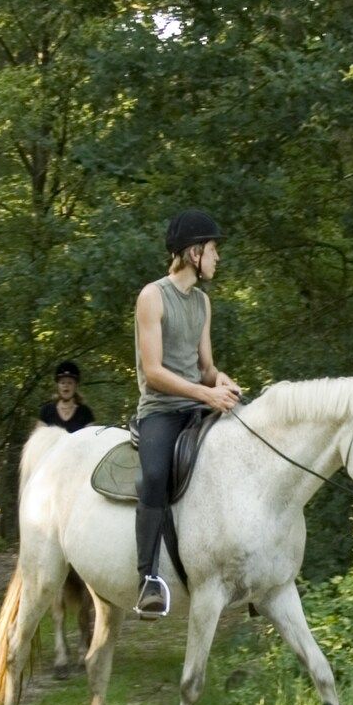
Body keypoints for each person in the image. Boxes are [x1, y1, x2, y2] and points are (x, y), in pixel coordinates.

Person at [131, 210, 240, 618]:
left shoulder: (203, 303)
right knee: (155, 475)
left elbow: (206, 367)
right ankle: (148, 579)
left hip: (197, 404)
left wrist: (222, 382)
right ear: (195, 253)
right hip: (161, 410)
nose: (218, 258)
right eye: (214, 250)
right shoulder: (152, 296)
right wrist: (204, 393)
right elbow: (155, 371)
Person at [38, 360, 95, 433]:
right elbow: (38, 440)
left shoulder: (85, 412)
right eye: (62, 382)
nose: (66, 386)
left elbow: (91, 439)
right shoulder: (46, 411)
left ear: (76, 386)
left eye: (70, 383)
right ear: (57, 386)